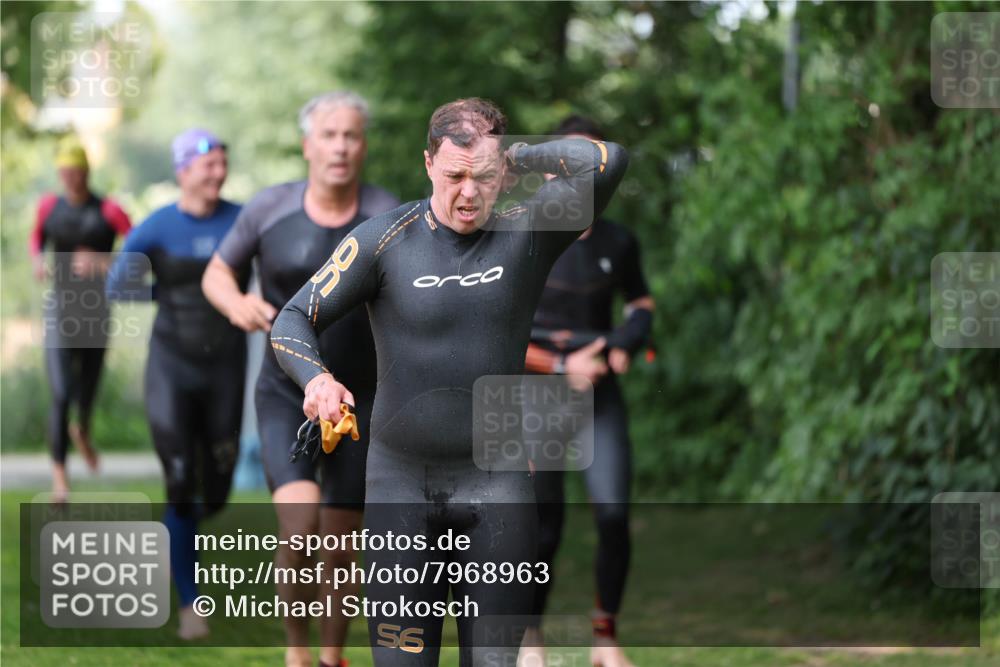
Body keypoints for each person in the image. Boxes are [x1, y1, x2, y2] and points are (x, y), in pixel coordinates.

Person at [269, 98, 628, 667]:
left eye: (484, 177)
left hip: (499, 490)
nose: (468, 193)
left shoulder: (529, 229)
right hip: (399, 489)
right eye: (456, 174)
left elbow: (609, 161)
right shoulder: (384, 240)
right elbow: (292, 318)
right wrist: (317, 382)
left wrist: (523, 155)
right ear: (428, 163)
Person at [202, 91, 399, 667]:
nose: (340, 147)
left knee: (341, 544)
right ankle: (296, 652)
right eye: (330, 135)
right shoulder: (270, 209)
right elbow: (218, 273)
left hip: (361, 398)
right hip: (286, 393)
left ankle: (332, 657)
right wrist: (236, 302)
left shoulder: (389, 215)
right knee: (300, 529)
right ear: (307, 144)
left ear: (364, 145)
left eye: (352, 136)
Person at [518, 116, 654, 667]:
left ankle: (605, 638)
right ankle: (529, 637)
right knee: (540, 525)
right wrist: (558, 367)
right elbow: (490, 326)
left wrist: (624, 341)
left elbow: (641, 304)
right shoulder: (517, 232)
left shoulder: (619, 240)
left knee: (614, 515)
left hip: (599, 394)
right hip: (534, 397)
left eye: (590, 162)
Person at [106, 128, 246, 640]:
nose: (218, 173)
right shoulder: (157, 227)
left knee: (217, 486)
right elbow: (115, 284)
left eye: (223, 164)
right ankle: (191, 605)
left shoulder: (240, 220)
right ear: (184, 170)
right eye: (209, 165)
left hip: (225, 367)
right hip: (170, 365)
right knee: (180, 477)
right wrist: (164, 295)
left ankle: (177, 536)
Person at [30, 136, 132, 503]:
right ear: (60, 173)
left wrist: (103, 262)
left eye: (76, 172)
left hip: (96, 311)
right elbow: (36, 238)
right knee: (60, 392)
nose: (70, 179)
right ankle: (60, 480)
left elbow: (138, 246)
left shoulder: (108, 210)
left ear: (87, 172)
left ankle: (83, 430)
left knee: (86, 390)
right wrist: (38, 260)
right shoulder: (48, 207)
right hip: (59, 309)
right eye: (65, 172)